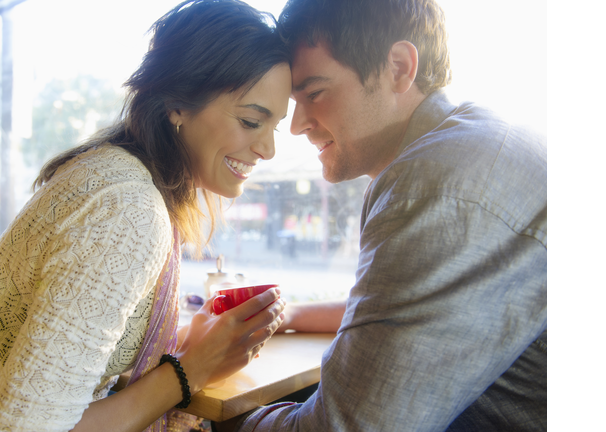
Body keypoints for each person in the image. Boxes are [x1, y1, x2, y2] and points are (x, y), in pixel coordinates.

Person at [0, 1, 291, 431]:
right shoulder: (127, 210)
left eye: (274, 127)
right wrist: (192, 370)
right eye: (251, 120)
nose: (268, 149)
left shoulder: (110, 173)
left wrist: (188, 342)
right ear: (178, 105)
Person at [217, 0, 547, 431]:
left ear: (397, 67)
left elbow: (348, 428)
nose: (296, 125)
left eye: (314, 93)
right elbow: (400, 307)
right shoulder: (473, 142)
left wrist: (218, 422)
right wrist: (288, 316)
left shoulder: (436, 181)